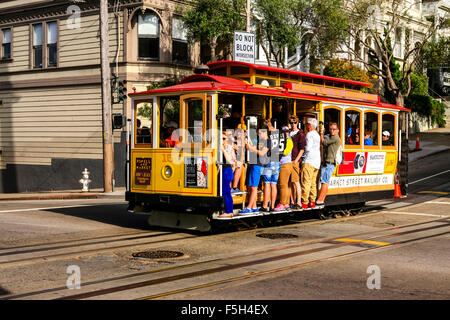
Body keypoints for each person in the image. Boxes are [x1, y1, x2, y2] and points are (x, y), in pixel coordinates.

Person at [238, 126, 270, 215]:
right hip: (255, 164)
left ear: (265, 132)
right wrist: (247, 139)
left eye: (260, 133)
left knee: (254, 187)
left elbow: (262, 152)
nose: (259, 135)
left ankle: (248, 208)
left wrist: (250, 148)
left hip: (258, 165)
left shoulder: (268, 141)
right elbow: (254, 147)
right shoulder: (261, 141)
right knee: (251, 186)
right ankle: (254, 207)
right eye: (258, 133)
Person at [316, 122, 341, 208]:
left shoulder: (335, 138)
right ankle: (320, 200)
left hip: (329, 164)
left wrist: (321, 133)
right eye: (330, 129)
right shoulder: (331, 137)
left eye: (334, 129)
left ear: (338, 130)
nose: (332, 131)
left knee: (324, 182)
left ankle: (320, 200)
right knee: (324, 182)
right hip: (327, 163)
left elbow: (324, 143)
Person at [260, 119, 281, 212]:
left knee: (267, 184)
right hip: (277, 161)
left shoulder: (267, 136)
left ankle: (265, 205)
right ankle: (272, 205)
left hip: (269, 161)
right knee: (274, 184)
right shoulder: (278, 133)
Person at [301, 118, 321, 209]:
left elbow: (308, 148)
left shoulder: (309, 134)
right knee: (313, 182)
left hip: (309, 160)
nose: (306, 126)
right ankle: (312, 201)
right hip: (317, 161)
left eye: (306, 125)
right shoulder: (317, 134)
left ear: (309, 126)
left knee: (306, 182)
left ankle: (304, 202)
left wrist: (302, 152)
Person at [273, 126, 294, 211]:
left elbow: (285, 152)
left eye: (286, 131)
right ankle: (285, 203)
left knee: (283, 184)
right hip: (283, 164)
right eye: (283, 132)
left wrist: (277, 149)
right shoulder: (284, 140)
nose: (285, 133)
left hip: (285, 164)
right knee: (284, 184)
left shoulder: (288, 141)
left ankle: (282, 203)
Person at [288, 115, 306, 210]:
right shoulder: (289, 133)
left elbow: (302, 149)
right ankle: (292, 201)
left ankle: (298, 202)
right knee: (289, 182)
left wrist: (296, 160)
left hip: (295, 160)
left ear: (297, 123)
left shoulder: (300, 134)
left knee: (296, 181)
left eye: (294, 123)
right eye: (291, 123)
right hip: (288, 160)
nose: (293, 124)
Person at [219, 130, 237, 218]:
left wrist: (222, 149)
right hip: (224, 170)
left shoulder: (228, 147)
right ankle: (229, 211)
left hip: (227, 170)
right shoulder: (219, 147)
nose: (222, 140)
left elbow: (230, 160)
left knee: (225, 191)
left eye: (223, 138)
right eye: (221, 138)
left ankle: (228, 211)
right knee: (226, 191)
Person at [231, 126, 245, 193]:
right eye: (238, 133)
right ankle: (233, 187)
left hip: (238, 160)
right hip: (232, 160)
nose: (240, 135)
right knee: (239, 166)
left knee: (240, 165)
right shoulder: (233, 141)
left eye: (241, 133)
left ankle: (234, 187)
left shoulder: (243, 141)